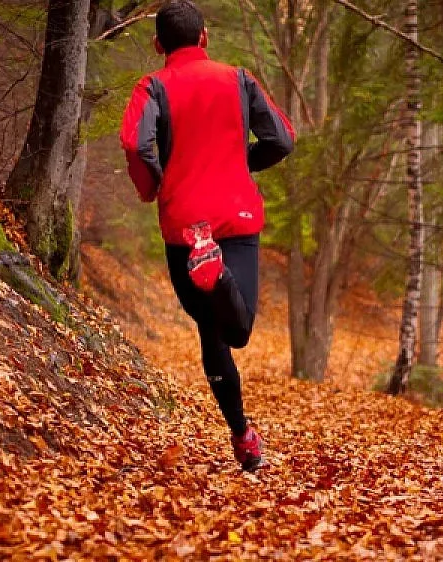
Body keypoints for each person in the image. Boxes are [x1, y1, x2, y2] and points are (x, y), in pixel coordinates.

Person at [120, 0, 295, 471]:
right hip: (235, 220)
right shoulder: (240, 79)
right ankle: (243, 437)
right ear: (204, 38)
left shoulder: (152, 85)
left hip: (184, 228)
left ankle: (242, 435)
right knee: (233, 329)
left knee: (214, 330)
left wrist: (152, 182)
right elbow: (282, 139)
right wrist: (244, 163)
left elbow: (135, 142)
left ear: (158, 45)